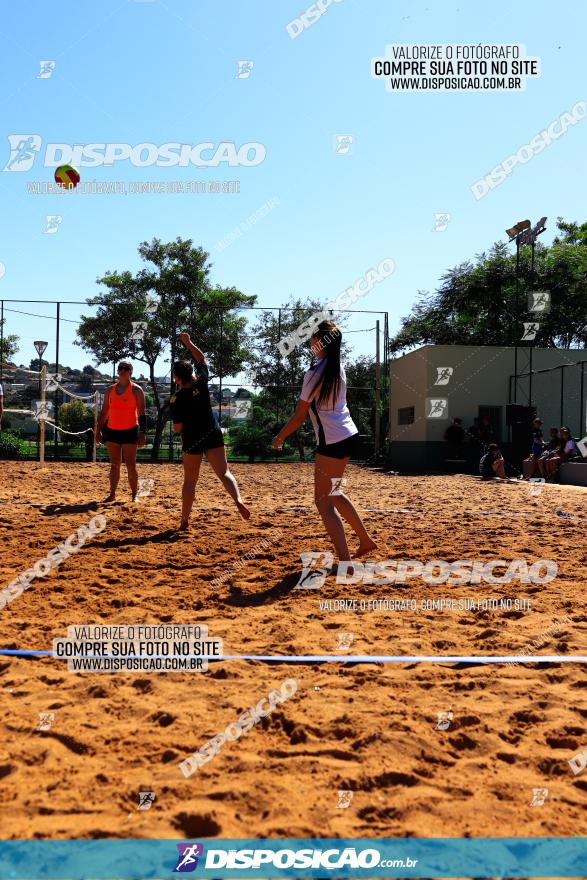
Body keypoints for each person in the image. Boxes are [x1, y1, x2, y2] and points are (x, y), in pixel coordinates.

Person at [272, 320, 376, 563]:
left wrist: (279, 437)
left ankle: (346, 561)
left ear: (320, 342)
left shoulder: (314, 374)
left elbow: (298, 417)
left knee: (323, 503)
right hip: (348, 435)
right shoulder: (337, 368)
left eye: (312, 339)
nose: (309, 342)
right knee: (334, 493)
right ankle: (365, 540)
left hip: (332, 442)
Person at [170, 332, 250, 530]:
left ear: (176, 378)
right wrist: (188, 343)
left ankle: (185, 520)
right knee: (224, 472)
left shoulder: (176, 398)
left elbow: (178, 427)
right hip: (212, 432)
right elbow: (201, 358)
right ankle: (238, 499)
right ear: (191, 374)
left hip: (192, 439)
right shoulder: (202, 383)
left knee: (190, 481)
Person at [96, 361, 146, 502]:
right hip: (112, 431)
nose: (123, 370)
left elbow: (142, 413)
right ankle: (112, 494)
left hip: (130, 430)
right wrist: (98, 430)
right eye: (121, 368)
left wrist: (143, 433)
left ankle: (134, 495)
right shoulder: (110, 390)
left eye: (126, 368)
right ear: (117, 371)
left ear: (131, 372)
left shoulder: (137, 390)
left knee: (131, 465)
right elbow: (104, 412)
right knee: (114, 464)